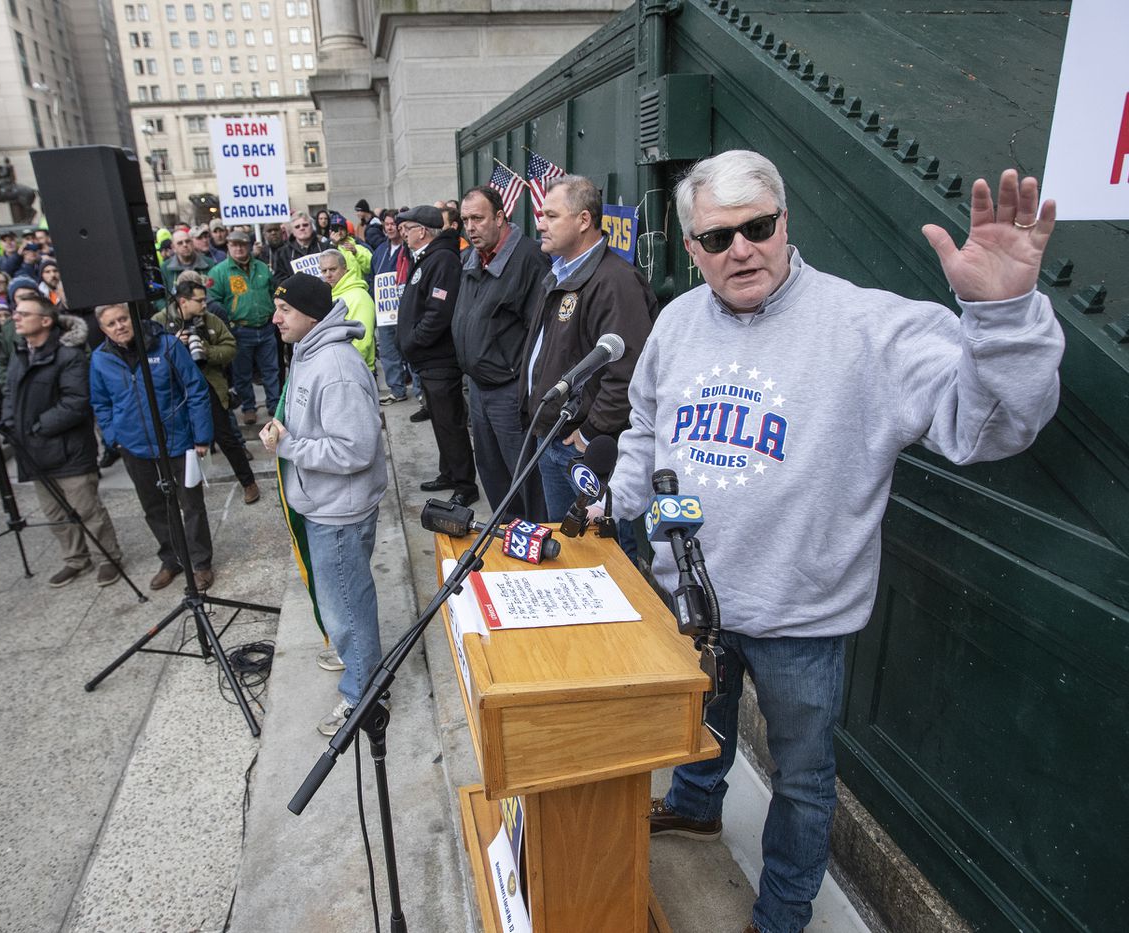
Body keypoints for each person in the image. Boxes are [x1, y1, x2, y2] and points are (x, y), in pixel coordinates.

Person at [609, 151, 1064, 933]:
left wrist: (1003, 318)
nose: (740, 249)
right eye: (717, 238)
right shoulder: (679, 318)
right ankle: (695, 805)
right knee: (699, 724)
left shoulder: (867, 323)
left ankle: (782, 911)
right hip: (691, 599)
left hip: (802, 616)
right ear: (692, 249)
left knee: (804, 778)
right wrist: (618, 500)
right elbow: (646, 422)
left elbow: (993, 423)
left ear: (785, 224)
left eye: (756, 228)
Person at [262, 273, 387, 736]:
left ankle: (363, 693)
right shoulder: (307, 351)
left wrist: (289, 446)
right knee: (343, 600)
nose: (275, 319)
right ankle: (352, 654)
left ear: (311, 316)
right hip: (326, 504)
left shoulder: (335, 368)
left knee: (347, 606)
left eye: (285, 311)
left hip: (339, 513)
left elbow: (355, 450)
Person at [522, 174, 656, 524]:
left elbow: (628, 372)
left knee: (601, 553)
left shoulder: (615, 281)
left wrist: (589, 433)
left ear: (584, 220)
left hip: (581, 450)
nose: (540, 224)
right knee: (565, 548)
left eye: (551, 216)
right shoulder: (559, 272)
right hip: (552, 437)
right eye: (541, 216)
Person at [91, 302, 217, 591]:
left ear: (133, 318)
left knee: (191, 504)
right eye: (111, 324)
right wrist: (114, 437)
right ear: (103, 329)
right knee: (154, 507)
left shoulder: (166, 345)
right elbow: (101, 403)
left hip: (178, 440)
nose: (119, 326)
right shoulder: (100, 359)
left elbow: (196, 389)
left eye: (123, 319)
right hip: (134, 446)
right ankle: (172, 558)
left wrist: (201, 437)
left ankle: (200, 562)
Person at [5, 294, 125, 587]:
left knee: (87, 510)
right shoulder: (20, 352)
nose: (16, 317)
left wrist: (37, 426)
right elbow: (10, 392)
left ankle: (107, 558)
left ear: (45, 321)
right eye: (15, 312)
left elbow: (76, 402)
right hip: (34, 450)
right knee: (55, 512)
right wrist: (10, 422)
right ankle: (75, 559)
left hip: (68, 450)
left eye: (24, 313)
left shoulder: (68, 355)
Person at [455, 185, 552, 517]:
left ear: (500, 217)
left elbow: (539, 333)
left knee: (525, 479)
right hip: (480, 389)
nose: (470, 227)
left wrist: (525, 392)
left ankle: (537, 544)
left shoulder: (528, 259)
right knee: (493, 474)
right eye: (465, 219)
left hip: (510, 393)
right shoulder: (472, 257)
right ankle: (508, 538)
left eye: (478, 219)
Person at [395, 205, 478, 506]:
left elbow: (438, 312)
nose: (403, 234)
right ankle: (449, 472)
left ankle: (465, 485)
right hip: (427, 360)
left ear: (422, 231)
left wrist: (414, 340)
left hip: (439, 359)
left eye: (408, 228)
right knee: (440, 421)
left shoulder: (442, 259)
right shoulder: (429, 258)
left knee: (450, 422)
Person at [154, 279, 261, 504]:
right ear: (183, 301)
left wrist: (206, 350)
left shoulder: (211, 319)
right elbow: (149, 358)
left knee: (227, 438)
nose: (205, 304)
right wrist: (171, 344)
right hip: (174, 391)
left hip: (207, 387)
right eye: (200, 300)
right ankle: (185, 491)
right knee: (177, 442)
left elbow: (230, 347)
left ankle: (248, 482)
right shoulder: (160, 321)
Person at [208, 229, 281, 426]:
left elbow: (274, 292)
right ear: (228, 247)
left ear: (249, 246)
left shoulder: (262, 268)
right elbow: (212, 301)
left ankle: (274, 405)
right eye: (234, 244)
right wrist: (228, 321)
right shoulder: (219, 271)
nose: (239, 248)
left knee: (271, 370)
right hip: (240, 331)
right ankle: (249, 407)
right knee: (242, 373)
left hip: (265, 328)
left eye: (242, 244)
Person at [369, 210, 414, 405]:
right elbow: (372, 277)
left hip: (405, 312)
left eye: (393, 224)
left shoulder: (409, 249)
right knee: (388, 353)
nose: (389, 227)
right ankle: (397, 390)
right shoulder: (379, 251)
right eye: (386, 224)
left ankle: (420, 392)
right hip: (385, 313)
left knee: (411, 353)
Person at [318, 249, 375, 370]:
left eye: (333, 269)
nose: (328, 275)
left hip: (354, 371)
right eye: (324, 271)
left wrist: (341, 368)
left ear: (345, 269)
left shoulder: (359, 296)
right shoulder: (328, 295)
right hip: (334, 369)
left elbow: (362, 341)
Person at [272, 211, 331, 284]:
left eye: (305, 225)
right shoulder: (282, 253)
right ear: (292, 231)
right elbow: (279, 281)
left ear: (312, 227)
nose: (302, 228)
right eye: (297, 226)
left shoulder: (326, 248)